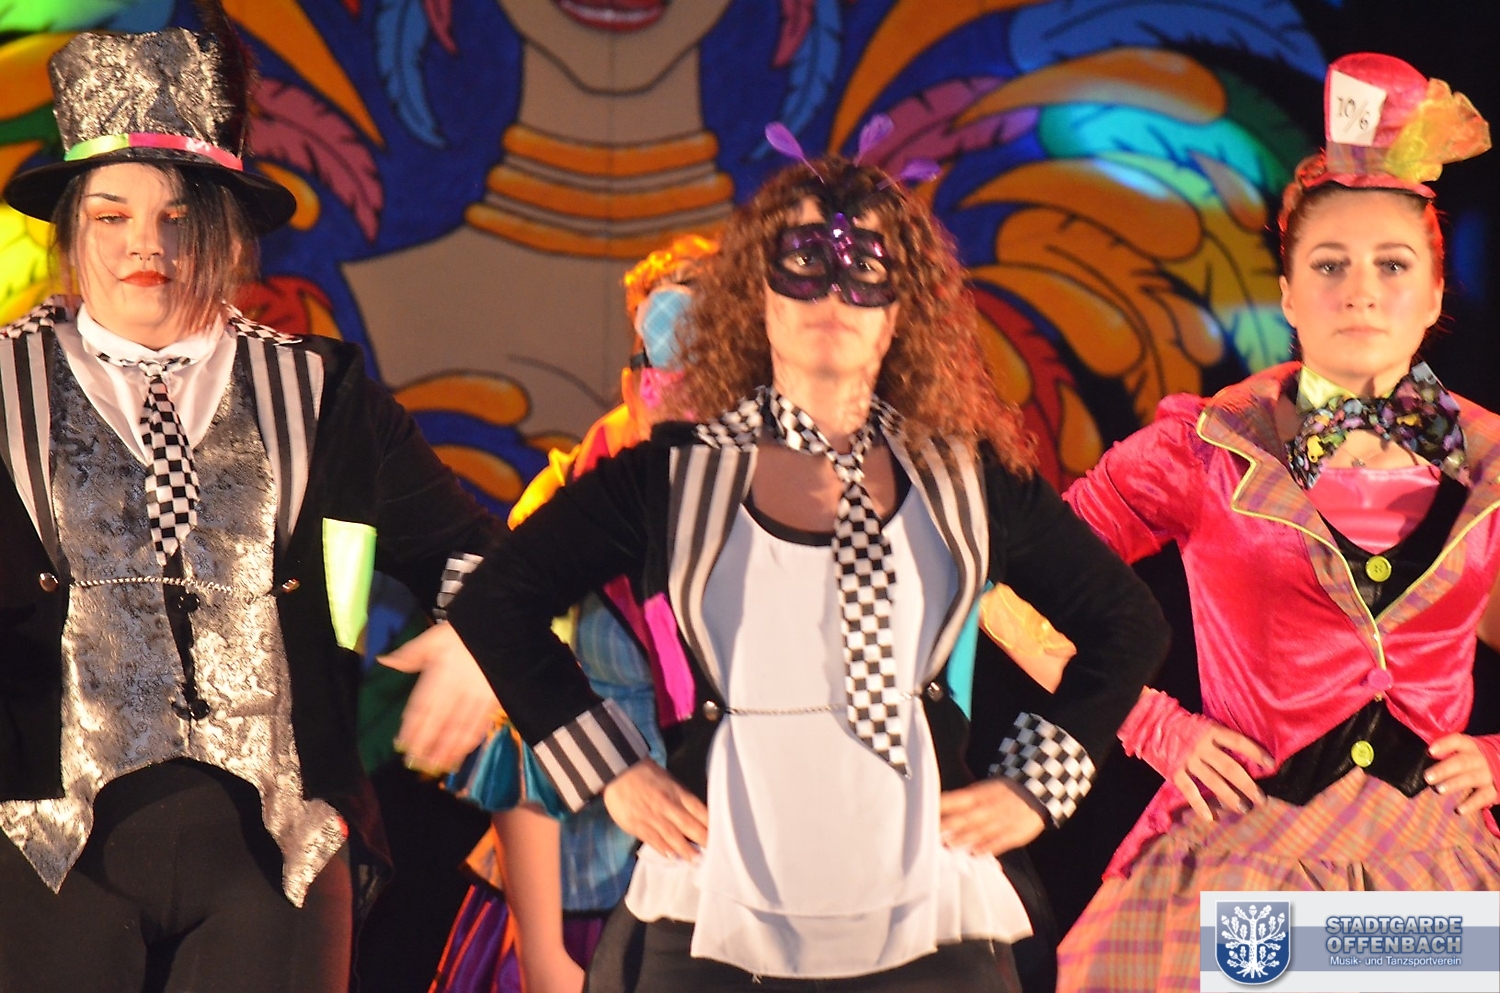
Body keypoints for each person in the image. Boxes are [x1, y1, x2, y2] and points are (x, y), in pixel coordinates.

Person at [389, 148, 1169, 990]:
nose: (833, 294)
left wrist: (1034, 785)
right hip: (717, 918)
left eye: (865, 270)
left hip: (925, 918)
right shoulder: (673, 477)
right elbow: (498, 601)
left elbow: (1127, 624)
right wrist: (608, 769)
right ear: (757, 297)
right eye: (803, 263)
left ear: (900, 311)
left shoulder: (963, 479)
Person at [0, 7, 503, 990]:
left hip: (278, 856)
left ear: (226, 229)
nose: (147, 243)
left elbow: (475, 556)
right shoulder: (5, 384)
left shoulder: (317, 390)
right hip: (43, 849)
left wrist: (479, 644)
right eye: (113, 215)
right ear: (72, 228)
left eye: (178, 215)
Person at [1055, 53, 1500, 992]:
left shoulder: (1490, 461)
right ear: (1290, 293)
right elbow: (1008, 576)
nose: (1361, 290)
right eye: (1330, 265)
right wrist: (1150, 724)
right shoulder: (1207, 449)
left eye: (1392, 264)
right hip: (1248, 861)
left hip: (1432, 875)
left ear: (1433, 293)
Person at [431, 235, 715, 993]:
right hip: (581, 892)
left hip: (723, 884)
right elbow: (518, 741)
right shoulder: (566, 507)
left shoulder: (761, 500)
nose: (676, 382)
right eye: (658, 355)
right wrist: (543, 946)